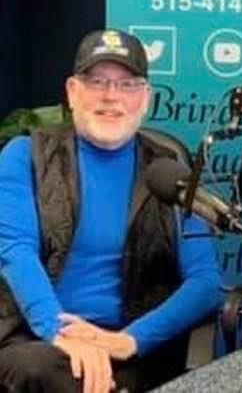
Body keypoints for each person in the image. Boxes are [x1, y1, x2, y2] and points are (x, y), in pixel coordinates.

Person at [0, 29, 224, 392]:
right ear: (73, 91)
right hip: (38, 339)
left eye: (127, 85)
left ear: (146, 98)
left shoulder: (171, 173)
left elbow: (205, 282)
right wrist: (60, 334)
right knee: (36, 368)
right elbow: (15, 251)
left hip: (128, 347)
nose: (111, 96)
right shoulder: (24, 155)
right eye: (97, 82)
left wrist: (129, 341)